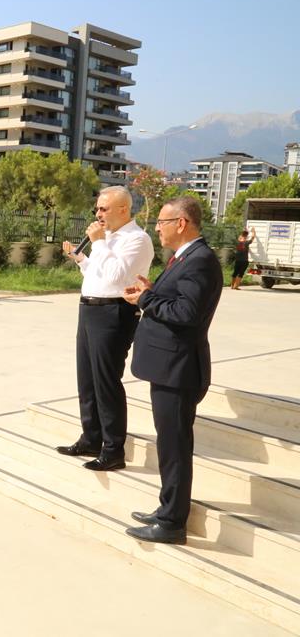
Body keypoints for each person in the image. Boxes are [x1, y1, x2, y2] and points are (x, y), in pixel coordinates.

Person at [122, 196, 223, 544]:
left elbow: (187, 314)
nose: (157, 229)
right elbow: (179, 302)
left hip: (179, 369)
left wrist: (146, 300)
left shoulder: (200, 261)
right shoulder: (184, 258)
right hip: (168, 367)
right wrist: (152, 291)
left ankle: (171, 523)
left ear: (181, 223)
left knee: (176, 446)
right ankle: (168, 508)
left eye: (162, 223)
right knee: (169, 444)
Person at [56, 185, 154, 472]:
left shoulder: (137, 239)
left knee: (106, 381)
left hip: (114, 312)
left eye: (104, 208)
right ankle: (90, 438)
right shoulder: (107, 238)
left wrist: (98, 244)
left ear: (124, 209)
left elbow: (118, 277)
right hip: (89, 308)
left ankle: (113, 450)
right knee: (86, 379)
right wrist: (82, 259)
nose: (98, 214)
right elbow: (98, 273)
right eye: (97, 208)